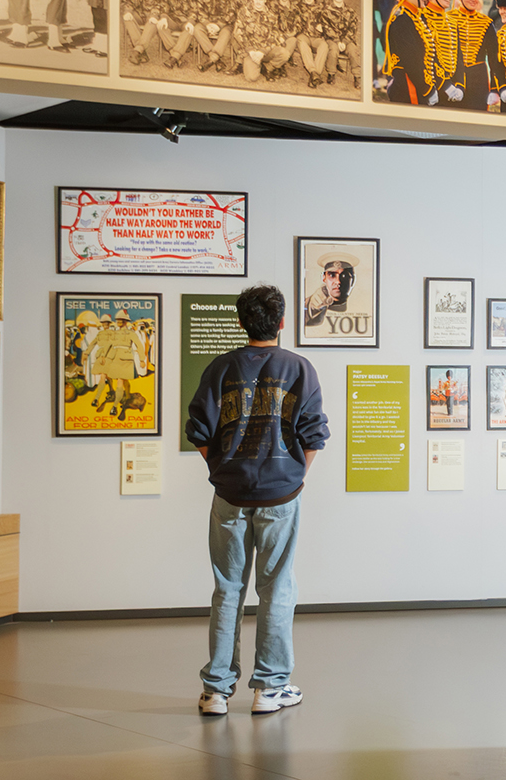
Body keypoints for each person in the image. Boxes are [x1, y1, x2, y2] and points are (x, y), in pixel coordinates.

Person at [186, 285, 327, 716]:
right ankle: (270, 687)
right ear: (282, 322)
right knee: (277, 588)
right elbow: (314, 434)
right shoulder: (299, 368)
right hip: (281, 494)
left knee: (227, 590)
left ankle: (216, 692)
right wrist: (296, 477)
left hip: (229, 495)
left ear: (241, 322)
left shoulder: (220, 369)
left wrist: (220, 471)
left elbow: (198, 432)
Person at [86, 308, 144, 418]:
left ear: (125, 321)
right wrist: (103, 355)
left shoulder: (130, 333)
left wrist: (142, 360)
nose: (118, 322)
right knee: (115, 380)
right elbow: (109, 344)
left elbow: (139, 345)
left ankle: (115, 406)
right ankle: (115, 400)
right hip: (115, 358)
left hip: (125, 359)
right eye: (117, 320)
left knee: (120, 382)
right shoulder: (115, 333)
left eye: (120, 320)